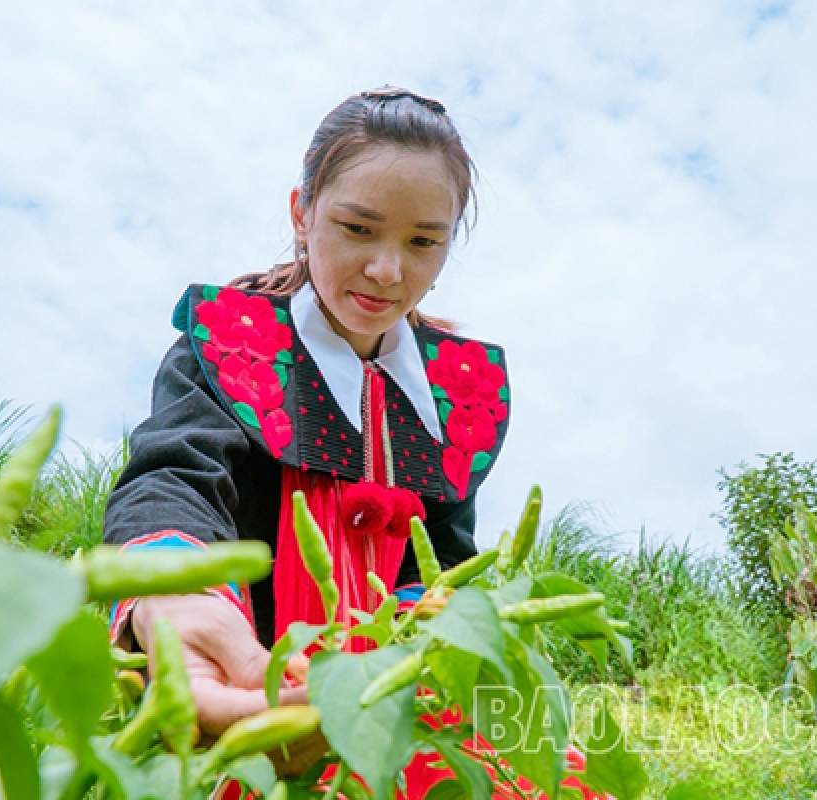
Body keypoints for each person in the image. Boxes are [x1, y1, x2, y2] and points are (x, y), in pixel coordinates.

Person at [103, 87, 516, 796]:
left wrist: (423, 661)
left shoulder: (457, 389)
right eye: (358, 228)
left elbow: (442, 557)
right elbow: (175, 476)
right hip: (253, 684)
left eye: (423, 241)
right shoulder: (234, 345)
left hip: (394, 710)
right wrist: (181, 596)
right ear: (303, 213)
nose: (389, 270)